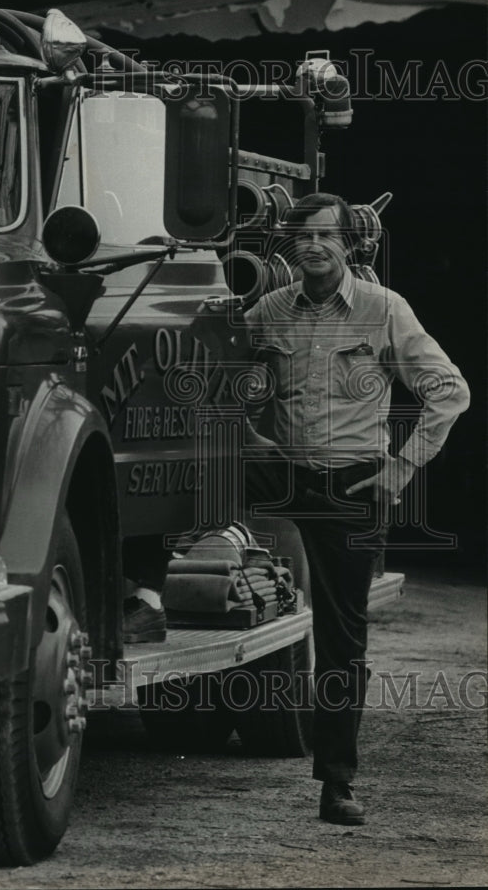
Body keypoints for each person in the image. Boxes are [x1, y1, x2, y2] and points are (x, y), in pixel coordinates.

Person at [243, 192, 470, 825]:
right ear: (290, 244)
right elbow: (232, 387)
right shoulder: (267, 313)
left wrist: (399, 469)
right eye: (303, 236)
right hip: (285, 480)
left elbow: (451, 392)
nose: (314, 246)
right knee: (219, 464)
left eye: (327, 236)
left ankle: (336, 782)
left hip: (353, 490)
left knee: (342, 639)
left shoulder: (382, 310)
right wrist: (246, 432)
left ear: (349, 244)